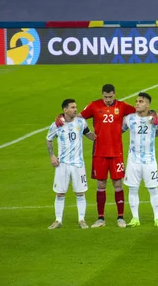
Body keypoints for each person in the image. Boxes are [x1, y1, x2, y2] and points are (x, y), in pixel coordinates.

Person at [59, 84, 137, 228]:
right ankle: (100, 218)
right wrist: (60, 116)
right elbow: (77, 116)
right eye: (105, 97)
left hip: (116, 153)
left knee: (118, 184)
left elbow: (139, 111)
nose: (108, 99)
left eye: (110, 96)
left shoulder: (123, 106)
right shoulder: (94, 106)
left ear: (115, 94)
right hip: (99, 153)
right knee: (101, 185)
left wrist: (154, 112)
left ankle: (120, 217)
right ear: (102, 95)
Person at [46, 99, 96, 229]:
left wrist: (101, 135)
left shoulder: (81, 122)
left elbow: (89, 134)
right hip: (62, 164)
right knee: (60, 193)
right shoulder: (57, 124)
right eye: (72, 107)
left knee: (80, 193)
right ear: (65, 110)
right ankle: (58, 220)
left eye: (76, 107)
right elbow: (49, 139)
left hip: (78, 164)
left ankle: (81, 220)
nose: (75, 109)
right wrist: (52, 156)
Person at [122, 92, 158, 227]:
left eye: (140, 101)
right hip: (133, 160)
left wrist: (153, 134)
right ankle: (135, 218)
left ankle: (157, 219)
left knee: (153, 189)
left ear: (147, 104)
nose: (137, 104)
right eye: (136, 101)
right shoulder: (129, 119)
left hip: (149, 160)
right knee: (133, 189)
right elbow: (118, 130)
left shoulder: (155, 119)